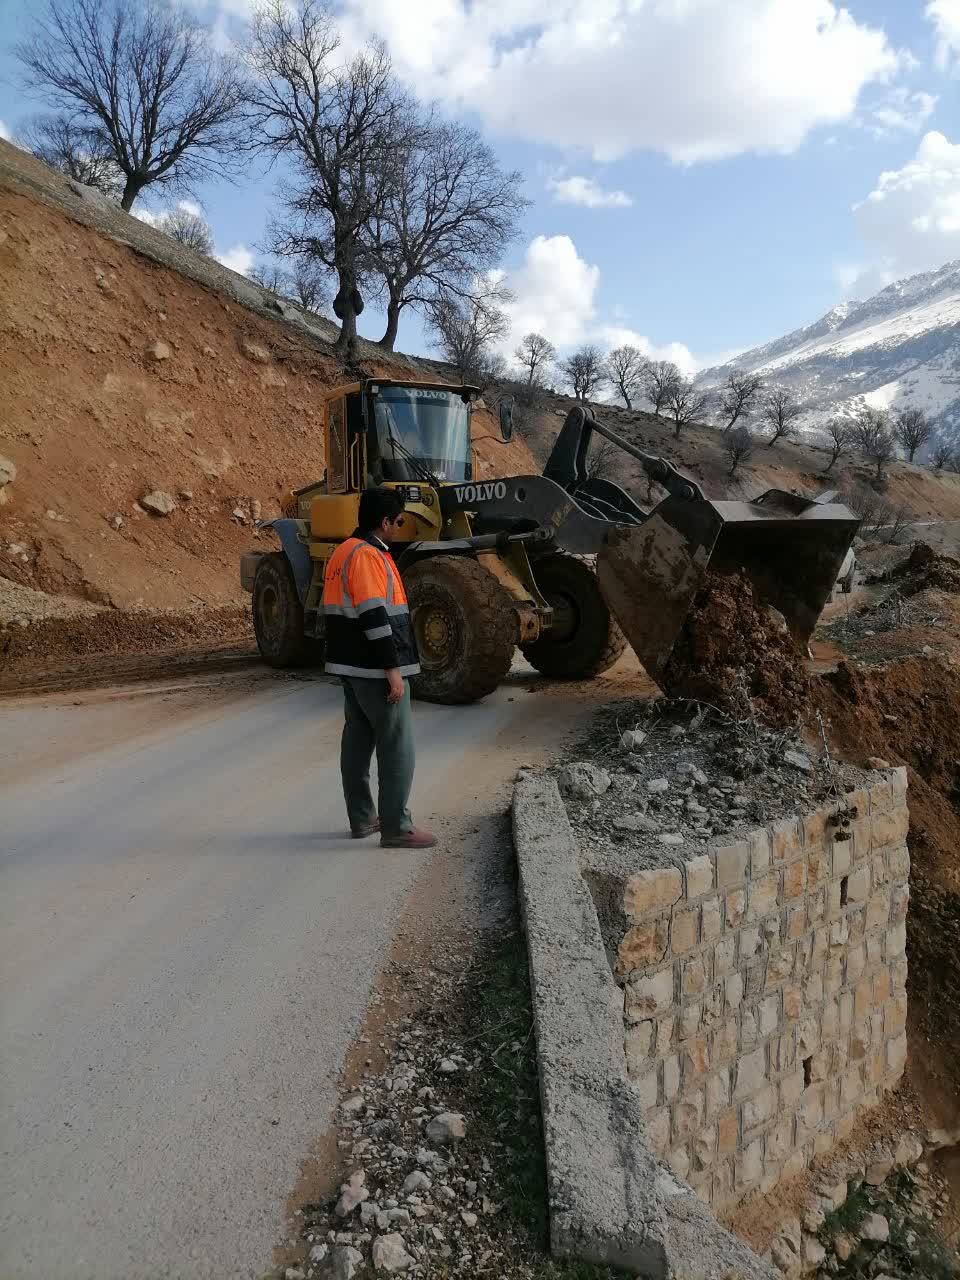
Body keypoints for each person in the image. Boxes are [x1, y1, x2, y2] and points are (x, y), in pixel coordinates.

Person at [322, 487, 437, 849]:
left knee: (357, 740)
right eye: (399, 521)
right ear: (385, 522)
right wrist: (392, 669)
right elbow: (374, 615)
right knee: (397, 743)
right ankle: (396, 826)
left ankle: (362, 818)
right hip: (374, 668)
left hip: (350, 664)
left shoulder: (342, 551)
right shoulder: (367, 556)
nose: (400, 527)